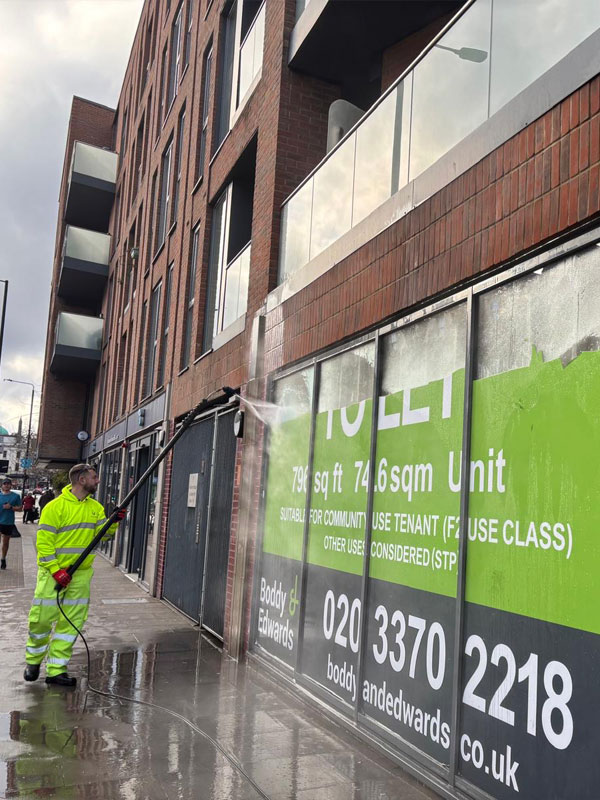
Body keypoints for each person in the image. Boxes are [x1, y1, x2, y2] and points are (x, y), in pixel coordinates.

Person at [23, 464, 126, 687]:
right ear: (81, 480)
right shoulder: (54, 507)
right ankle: (33, 661)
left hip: (80, 576)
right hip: (54, 574)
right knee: (41, 619)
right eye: (94, 477)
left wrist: (113, 522)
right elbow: (44, 543)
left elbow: (101, 537)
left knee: (70, 625)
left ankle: (56, 669)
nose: (97, 481)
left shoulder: (95, 507)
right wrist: (55, 570)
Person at [0, 478, 22, 569]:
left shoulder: (15, 496)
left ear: (10, 485)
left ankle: (3, 558)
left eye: (8, 484)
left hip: (8, 522)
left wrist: (11, 507)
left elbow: (20, 509)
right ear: (2, 485)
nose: (6, 485)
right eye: (4, 483)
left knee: (5, 543)